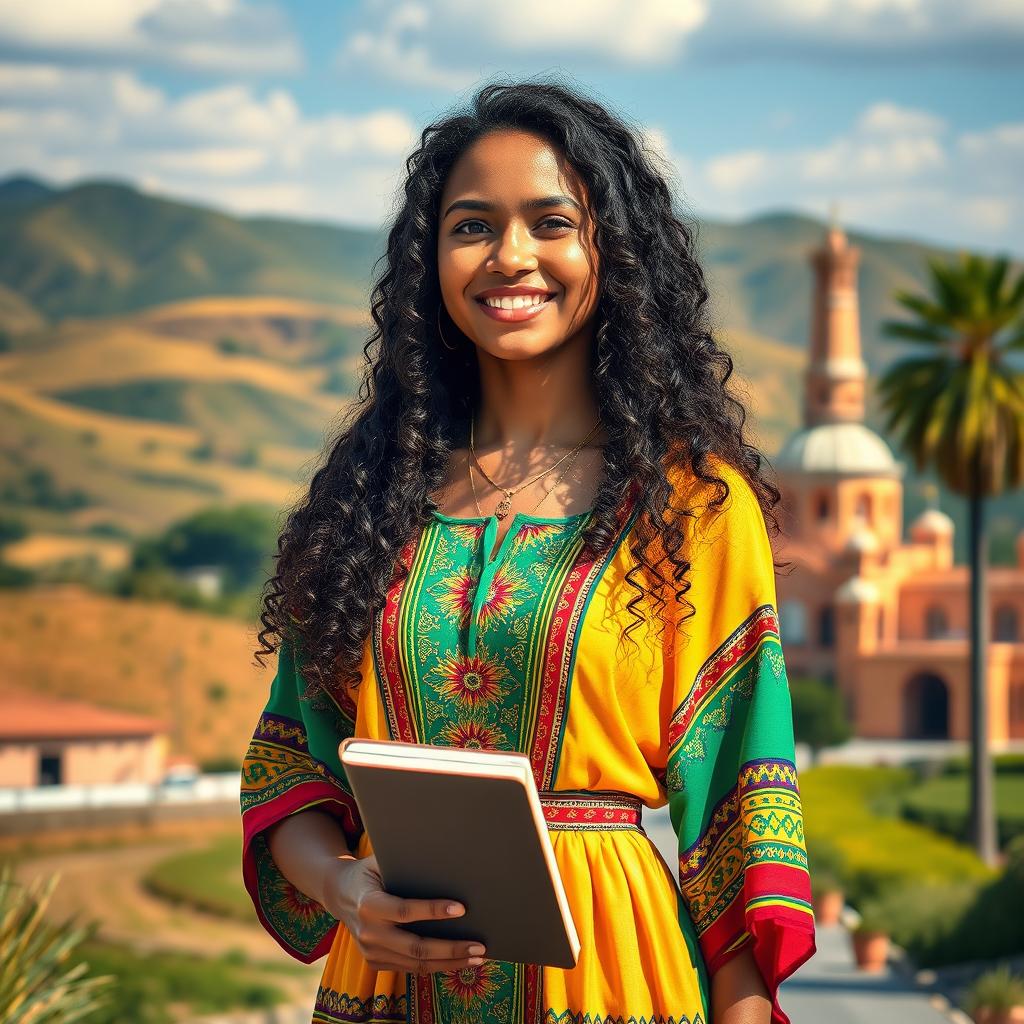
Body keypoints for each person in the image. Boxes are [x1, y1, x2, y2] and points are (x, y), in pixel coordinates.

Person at [239, 78, 816, 1024]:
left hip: (611, 976)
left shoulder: (690, 506)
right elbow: (293, 767)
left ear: (613, 252)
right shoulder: (370, 501)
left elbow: (738, 819)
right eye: (472, 226)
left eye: (553, 222)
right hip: (388, 979)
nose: (512, 257)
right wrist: (348, 893)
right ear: (430, 259)